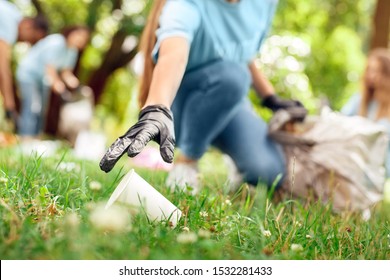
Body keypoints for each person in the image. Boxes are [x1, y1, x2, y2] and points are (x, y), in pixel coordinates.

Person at [99, 0, 306, 193]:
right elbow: (174, 55)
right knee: (233, 77)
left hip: (228, 96)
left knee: (268, 173)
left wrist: (270, 98)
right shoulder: (187, 4)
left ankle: (230, 154)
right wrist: (156, 107)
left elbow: (243, 52)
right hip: (182, 103)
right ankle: (186, 162)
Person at [16, 26, 90, 138]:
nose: (80, 40)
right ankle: (25, 138)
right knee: (33, 107)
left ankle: (36, 139)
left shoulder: (72, 51)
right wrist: (61, 89)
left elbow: (66, 73)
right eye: (79, 35)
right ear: (71, 32)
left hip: (43, 80)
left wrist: (79, 87)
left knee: (42, 110)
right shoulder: (56, 42)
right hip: (29, 75)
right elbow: (50, 71)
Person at [341, 48, 390, 176]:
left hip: (380, 167)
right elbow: (341, 120)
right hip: (356, 162)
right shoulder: (360, 99)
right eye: (369, 70)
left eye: (376, 71)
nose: (371, 75)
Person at [0, 0, 48, 127]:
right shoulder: (9, 25)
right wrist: (9, 105)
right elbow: (3, 68)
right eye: (31, 38)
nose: (25, 42)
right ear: (28, 24)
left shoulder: (10, 11)